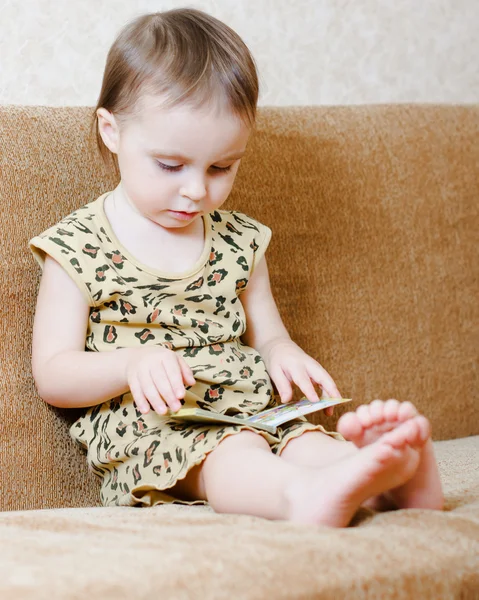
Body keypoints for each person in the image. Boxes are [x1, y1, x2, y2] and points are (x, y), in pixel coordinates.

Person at [29, 8, 443, 527]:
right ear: (111, 132)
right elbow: (52, 373)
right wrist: (130, 363)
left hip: (251, 404)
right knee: (233, 453)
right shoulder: (78, 244)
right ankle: (299, 498)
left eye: (222, 166)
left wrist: (282, 350)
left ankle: (389, 484)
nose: (197, 190)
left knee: (304, 439)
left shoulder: (240, 240)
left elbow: (266, 336)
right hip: (162, 427)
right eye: (171, 165)